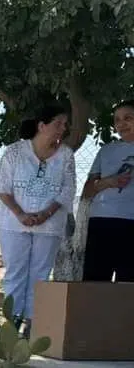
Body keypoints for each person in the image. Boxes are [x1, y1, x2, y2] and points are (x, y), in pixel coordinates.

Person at [0, 103, 76, 335]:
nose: (62, 128)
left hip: (49, 226)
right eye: (58, 123)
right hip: (14, 224)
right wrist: (20, 213)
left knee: (41, 273)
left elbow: (67, 190)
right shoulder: (14, 152)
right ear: (42, 125)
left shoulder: (66, 155)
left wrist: (45, 214)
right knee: (15, 272)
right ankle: (11, 321)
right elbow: (2, 187)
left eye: (65, 124)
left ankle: (33, 322)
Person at [80, 100, 134, 282]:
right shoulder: (106, 151)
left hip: (131, 223)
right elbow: (87, 191)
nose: (121, 124)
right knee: (94, 284)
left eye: (128, 118)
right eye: (117, 120)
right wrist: (108, 182)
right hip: (101, 224)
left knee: (128, 288)